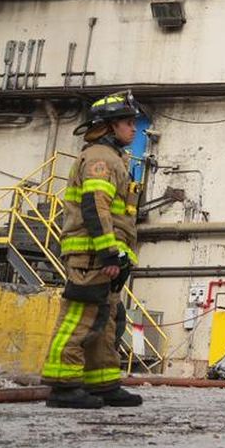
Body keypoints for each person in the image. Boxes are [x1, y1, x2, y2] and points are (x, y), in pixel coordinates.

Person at [43, 91, 147, 408]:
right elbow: (95, 207)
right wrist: (107, 254)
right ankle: (63, 386)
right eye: (129, 123)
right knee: (79, 318)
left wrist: (120, 255)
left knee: (107, 321)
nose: (134, 129)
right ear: (109, 126)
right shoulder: (101, 159)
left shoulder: (116, 159)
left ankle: (102, 383)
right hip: (91, 255)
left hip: (106, 256)